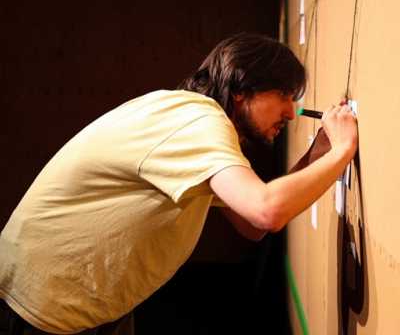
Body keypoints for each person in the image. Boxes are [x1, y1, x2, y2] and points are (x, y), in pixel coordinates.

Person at [0, 33, 358, 334]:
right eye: (282, 95)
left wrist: (319, 153)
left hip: (85, 306)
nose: (290, 112)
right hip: (36, 307)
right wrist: (341, 151)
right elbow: (266, 210)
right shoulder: (197, 121)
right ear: (240, 88)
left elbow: (251, 225)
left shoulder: (191, 123)